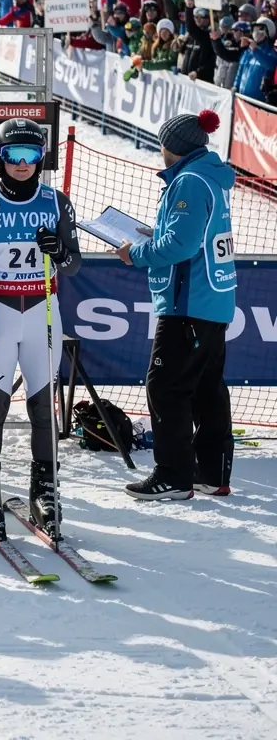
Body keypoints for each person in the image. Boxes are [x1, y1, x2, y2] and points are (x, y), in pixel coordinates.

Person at [0, 118, 82, 540]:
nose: (23, 164)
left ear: (41, 158)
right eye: (14, 155)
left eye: (31, 155)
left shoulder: (56, 201)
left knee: (44, 408)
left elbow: (74, 264)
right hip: (0, 312)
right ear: (0, 158)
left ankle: (45, 489)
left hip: (43, 310)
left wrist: (60, 250)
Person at [116, 111, 235, 500]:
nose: (160, 149)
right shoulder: (210, 176)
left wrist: (138, 252)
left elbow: (180, 247)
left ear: (174, 147)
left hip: (187, 303)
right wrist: (158, 235)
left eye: (163, 143)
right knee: (205, 389)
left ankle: (173, 475)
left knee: (165, 385)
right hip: (212, 302)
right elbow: (191, 236)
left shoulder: (188, 181)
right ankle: (210, 472)